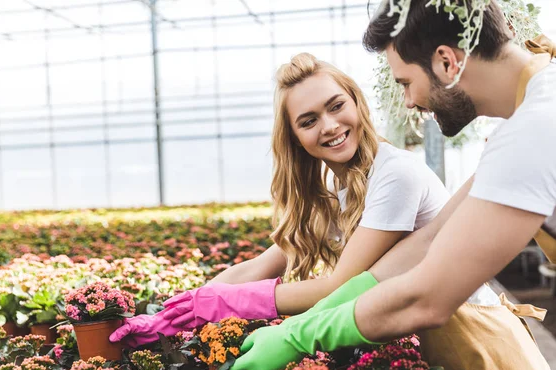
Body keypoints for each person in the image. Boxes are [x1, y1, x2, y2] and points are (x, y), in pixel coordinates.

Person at [221, 1, 556, 370]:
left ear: (445, 62)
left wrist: (300, 336)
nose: (407, 101)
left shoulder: (536, 127)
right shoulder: (548, 97)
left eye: (405, 82)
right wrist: (289, 322)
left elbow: (428, 297)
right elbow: (428, 240)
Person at [109, 52, 450, 346]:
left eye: (336, 106)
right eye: (309, 121)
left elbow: (340, 286)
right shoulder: (340, 190)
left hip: (456, 338)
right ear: (297, 139)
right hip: (414, 339)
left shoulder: (395, 174)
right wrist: (177, 312)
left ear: (357, 102)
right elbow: (260, 266)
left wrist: (228, 303)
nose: (329, 126)